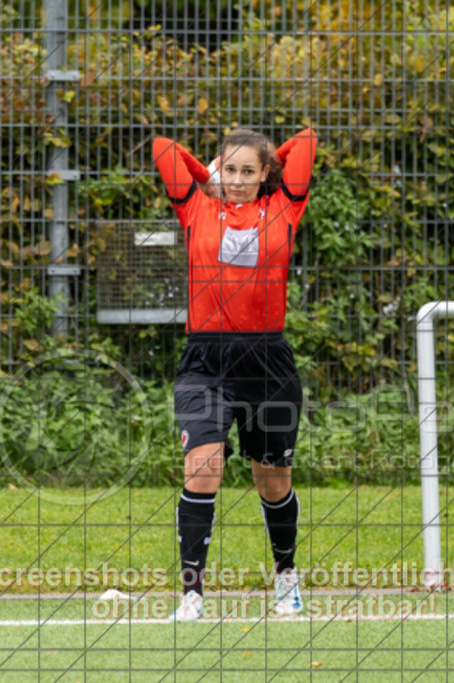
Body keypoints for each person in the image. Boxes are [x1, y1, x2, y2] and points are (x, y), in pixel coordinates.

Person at [152, 127, 318, 621]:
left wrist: (270, 162)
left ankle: (286, 579)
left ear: (266, 173)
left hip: (268, 362)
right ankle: (191, 594)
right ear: (218, 171)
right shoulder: (196, 207)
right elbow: (163, 148)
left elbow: (306, 140)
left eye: (250, 171)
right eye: (231, 170)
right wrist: (206, 177)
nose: (239, 180)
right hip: (206, 360)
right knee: (203, 468)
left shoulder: (286, 207)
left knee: (273, 481)